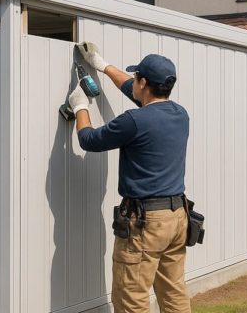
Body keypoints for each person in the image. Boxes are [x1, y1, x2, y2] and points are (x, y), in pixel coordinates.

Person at [68, 42, 191, 313]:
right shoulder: (180, 114)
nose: (133, 80)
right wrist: (102, 65)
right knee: (173, 292)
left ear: (144, 82)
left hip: (146, 224)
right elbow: (133, 92)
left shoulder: (134, 121)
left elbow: (88, 139)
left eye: (136, 77)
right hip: (177, 217)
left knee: (130, 298)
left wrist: (79, 107)